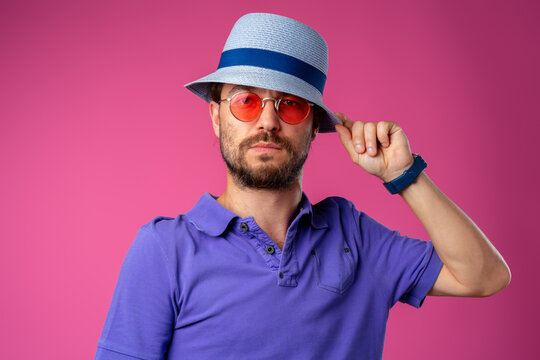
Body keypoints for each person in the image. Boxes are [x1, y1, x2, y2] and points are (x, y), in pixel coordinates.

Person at [94, 13, 510, 360]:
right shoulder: (165, 249)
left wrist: (402, 176)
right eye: (246, 101)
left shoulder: (356, 237)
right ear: (217, 117)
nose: (268, 122)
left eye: (290, 104)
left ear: (314, 127)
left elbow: (484, 277)